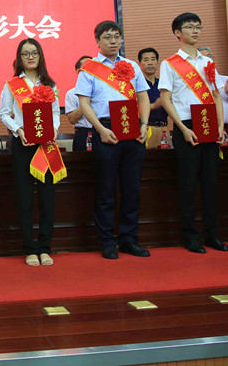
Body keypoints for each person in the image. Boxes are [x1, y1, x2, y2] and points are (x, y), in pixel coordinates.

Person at [76, 20, 151, 259]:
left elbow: (143, 98)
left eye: (117, 36)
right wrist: (99, 129)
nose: (113, 41)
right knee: (106, 188)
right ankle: (107, 240)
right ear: (97, 41)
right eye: (108, 37)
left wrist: (144, 124)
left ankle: (129, 239)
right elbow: (84, 103)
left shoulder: (132, 66)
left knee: (132, 188)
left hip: (133, 129)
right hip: (106, 130)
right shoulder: (89, 68)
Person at [159, 13, 228, 254]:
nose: (195, 31)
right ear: (178, 33)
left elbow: (217, 95)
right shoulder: (169, 63)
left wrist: (220, 126)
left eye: (198, 27)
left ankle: (213, 234)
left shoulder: (208, 62)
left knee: (211, 182)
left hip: (209, 125)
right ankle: (190, 235)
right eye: (190, 27)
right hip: (186, 126)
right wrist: (182, 127)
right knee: (188, 184)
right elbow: (166, 99)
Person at [0, 38, 65, 266]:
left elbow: (55, 112)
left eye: (34, 53)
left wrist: (54, 129)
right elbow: (4, 114)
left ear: (40, 56)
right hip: (23, 145)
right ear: (19, 58)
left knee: (47, 199)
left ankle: (45, 247)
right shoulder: (11, 85)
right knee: (24, 198)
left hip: (46, 145)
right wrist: (18, 130)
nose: (30, 57)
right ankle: (29, 248)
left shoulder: (49, 84)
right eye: (25, 53)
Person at [138, 48, 170, 148]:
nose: (150, 63)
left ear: (157, 62)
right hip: (146, 129)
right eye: (146, 60)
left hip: (164, 129)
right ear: (140, 63)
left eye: (153, 59)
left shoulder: (163, 85)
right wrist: (153, 105)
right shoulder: (137, 86)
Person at [64, 56, 93, 151]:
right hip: (82, 134)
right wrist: (85, 102)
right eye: (86, 66)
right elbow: (72, 119)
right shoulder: (71, 93)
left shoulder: (103, 92)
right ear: (78, 71)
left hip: (102, 133)